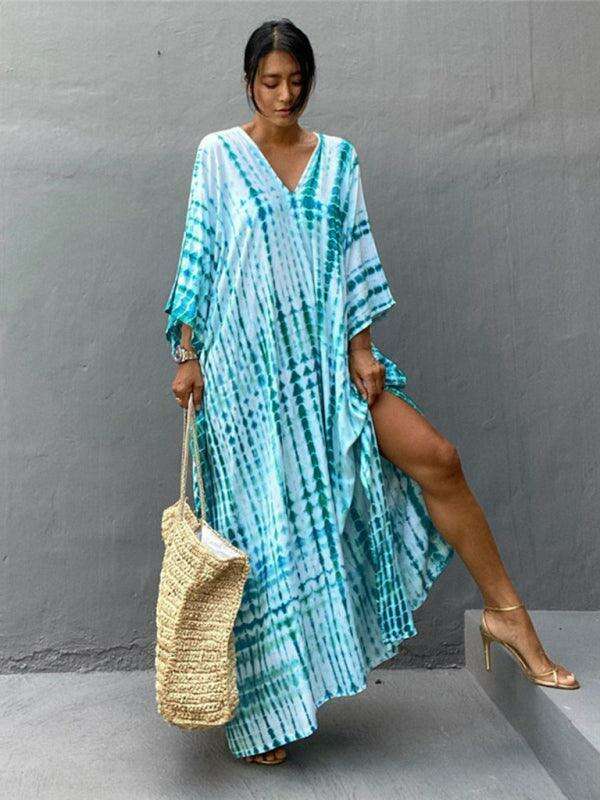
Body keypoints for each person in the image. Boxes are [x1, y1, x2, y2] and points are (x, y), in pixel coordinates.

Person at [163, 18, 579, 766]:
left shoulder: (337, 159)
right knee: (268, 539)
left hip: (327, 366)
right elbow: (200, 255)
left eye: (296, 82)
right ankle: (266, 716)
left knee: (438, 459)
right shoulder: (218, 156)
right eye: (270, 82)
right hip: (247, 381)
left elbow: (354, 259)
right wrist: (188, 355)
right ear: (249, 83)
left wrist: (361, 349)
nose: (284, 95)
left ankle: (508, 617)